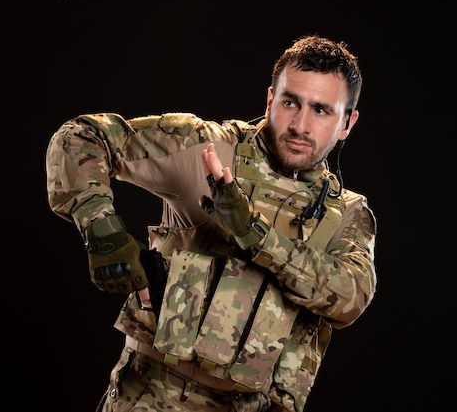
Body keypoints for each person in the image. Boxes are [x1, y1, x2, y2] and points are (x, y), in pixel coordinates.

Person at [45, 34, 377, 412]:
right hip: (150, 397)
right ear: (270, 100)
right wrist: (100, 226)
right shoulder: (207, 149)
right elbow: (82, 135)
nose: (300, 125)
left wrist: (254, 233)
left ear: (347, 122)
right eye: (290, 102)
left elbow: (350, 298)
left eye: (321, 110)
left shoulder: (347, 214)